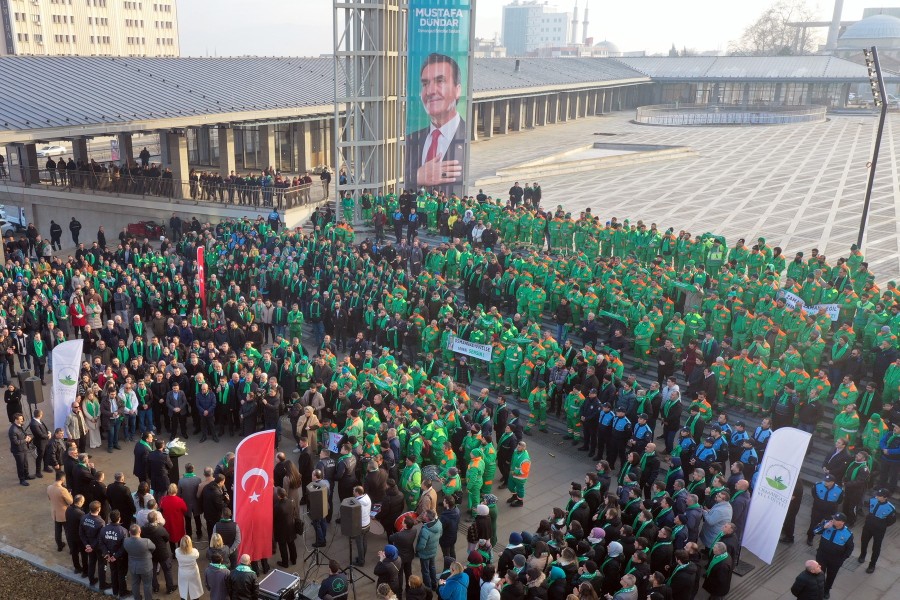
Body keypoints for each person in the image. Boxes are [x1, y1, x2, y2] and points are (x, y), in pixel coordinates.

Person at [403, 53, 467, 195]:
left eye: (440, 81)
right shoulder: (410, 140)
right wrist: (416, 177)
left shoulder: (468, 138)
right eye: (425, 84)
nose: (430, 91)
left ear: (457, 90)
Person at [813, 513, 854, 599]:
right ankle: (819, 588)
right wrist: (824, 527)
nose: (833, 520)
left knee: (831, 575)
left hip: (835, 559)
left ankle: (826, 590)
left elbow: (850, 548)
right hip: (822, 555)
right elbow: (814, 531)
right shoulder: (826, 523)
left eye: (836, 520)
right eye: (833, 518)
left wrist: (842, 559)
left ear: (842, 522)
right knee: (819, 573)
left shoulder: (848, 534)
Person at [857, 487, 896, 573]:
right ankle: (862, 555)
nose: (877, 496)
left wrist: (881, 524)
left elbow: (891, 521)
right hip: (868, 525)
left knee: (876, 547)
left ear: (885, 497)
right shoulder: (872, 500)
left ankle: (872, 565)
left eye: (879, 496)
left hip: (879, 529)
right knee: (864, 541)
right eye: (877, 494)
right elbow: (870, 509)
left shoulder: (890, 508)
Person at [123, 524, 156, 600]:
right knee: (147, 585)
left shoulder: (126, 541)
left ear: (129, 532)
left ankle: (137, 598)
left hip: (133, 567)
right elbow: (153, 548)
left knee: (135, 584)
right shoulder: (146, 541)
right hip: (146, 567)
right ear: (140, 531)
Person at [416, 509, 443, 590]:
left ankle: (428, 588)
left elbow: (421, 546)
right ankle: (434, 585)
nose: (423, 515)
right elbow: (440, 534)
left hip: (425, 554)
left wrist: (417, 549)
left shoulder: (425, 530)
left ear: (427, 518)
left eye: (424, 514)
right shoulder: (438, 523)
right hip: (433, 551)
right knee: (432, 567)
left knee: (425, 571)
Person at [47, 471, 73, 552]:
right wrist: (69, 494)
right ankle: (71, 549)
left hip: (55, 513)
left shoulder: (49, 487)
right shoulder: (62, 490)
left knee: (57, 531)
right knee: (68, 532)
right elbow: (70, 502)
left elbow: (49, 498)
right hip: (64, 514)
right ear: (62, 478)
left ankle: (59, 546)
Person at [8, 412, 33, 486]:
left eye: (22, 418)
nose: (22, 420)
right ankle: (22, 480)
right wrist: (25, 440)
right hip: (18, 451)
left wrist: (27, 436)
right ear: (16, 420)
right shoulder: (13, 430)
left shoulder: (19, 425)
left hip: (23, 448)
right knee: (20, 465)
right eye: (20, 419)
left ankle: (26, 475)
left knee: (25, 463)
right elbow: (15, 442)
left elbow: (23, 433)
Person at [175, 534, 203, 600]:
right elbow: (197, 556)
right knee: (195, 590)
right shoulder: (194, 552)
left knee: (183, 589)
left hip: (183, 573)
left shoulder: (177, 551)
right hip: (193, 573)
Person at [507, 441, 531, 507]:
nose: (517, 447)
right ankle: (514, 496)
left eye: (519, 447)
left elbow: (524, 470)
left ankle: (520, 502)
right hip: (512, 475)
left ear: (523, 448)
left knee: (520, 490)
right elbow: (513, 460)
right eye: (518, 446)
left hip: (520, 477)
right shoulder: (516, 451)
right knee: (510, 486)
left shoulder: (525, 459)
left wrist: (514, 472)